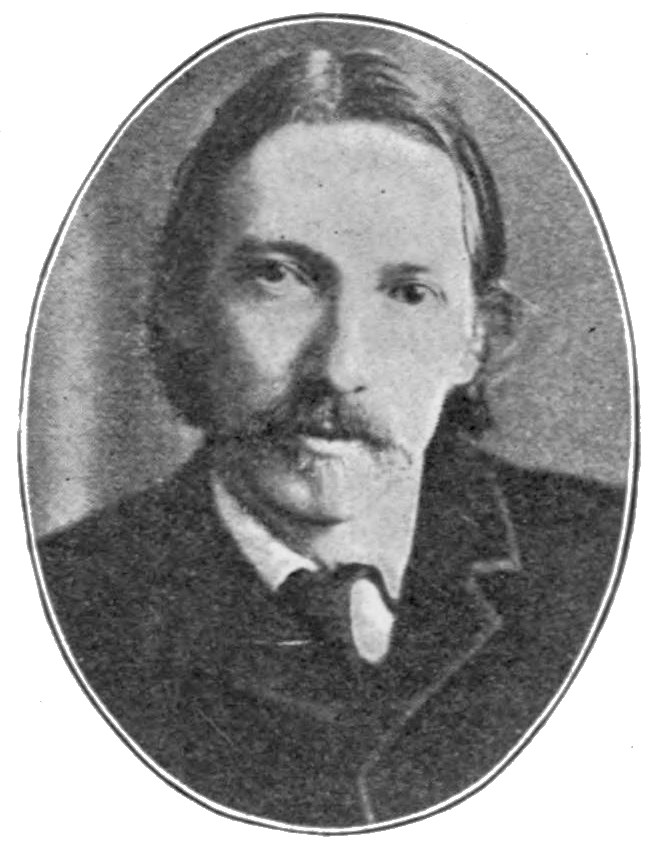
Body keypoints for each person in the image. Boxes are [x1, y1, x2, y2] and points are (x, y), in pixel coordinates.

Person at [38, 48, 625, 828]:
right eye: (278, 278)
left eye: (408, 293)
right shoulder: (59, 606)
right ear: (180, 303)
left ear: (478, 338)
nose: (341, 368)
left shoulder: (607, 564)